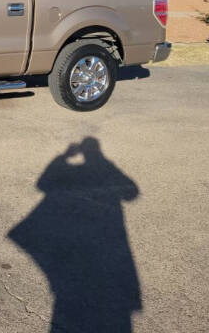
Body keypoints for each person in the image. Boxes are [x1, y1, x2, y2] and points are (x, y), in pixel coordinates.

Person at [8, 137, 141, 332]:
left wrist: (63, 158)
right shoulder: (104, 168)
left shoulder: (77, 171)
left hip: (78, 250)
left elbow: (42, 184)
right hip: (102, 247)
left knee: (72, 301)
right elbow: (131, 193)